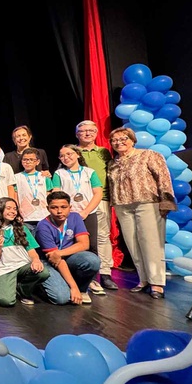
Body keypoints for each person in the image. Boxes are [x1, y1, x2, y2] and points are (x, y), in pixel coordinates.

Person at [107, 127, 176, 299]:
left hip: (147, 202)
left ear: (132, 140)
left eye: (123, 138)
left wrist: (166, 200)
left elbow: (163, 177)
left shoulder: (148, 155)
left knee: (151, 243)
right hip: (123, 205)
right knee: (133, 243)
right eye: (115, 140)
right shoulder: (113, 163)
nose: (119, 142)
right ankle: (144, 279)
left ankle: (157, 283)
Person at [52, 144, 104, 295]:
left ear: (78, 155)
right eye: (62, 156)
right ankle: (72, 279)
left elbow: (98, 194)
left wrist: (86, 211)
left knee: (92, 245)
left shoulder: (89, 172)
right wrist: (64, 212)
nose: (65, 158)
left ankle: (92, 279)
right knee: (70, 245)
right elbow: (57, 194)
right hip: (68, 216)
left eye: (69, 154)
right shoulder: (59, 174)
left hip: (88, 213)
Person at [35, 191, 101, 305]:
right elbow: (55, 260)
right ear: (48, 208)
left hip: (65, 257)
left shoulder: (75, 217)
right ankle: (40, 286)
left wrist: (60, 253)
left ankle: (81, 289)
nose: (59, 211)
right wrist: (73, 287)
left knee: (93, 260)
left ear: (70, 207)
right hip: (49, 262)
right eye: (54, 207)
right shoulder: (43, 226)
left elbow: (84, 244)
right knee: (61, 298)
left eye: (63, 207)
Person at [76, 120, 118, 291]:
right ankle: (86, 273)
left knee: (102, 236)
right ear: (77, 134)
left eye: (91, 131)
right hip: (78, 202)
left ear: (96, 133)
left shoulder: (104, 152)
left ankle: (105, 273)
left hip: (100, 199)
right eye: (83, 131)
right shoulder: (72, 152)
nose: (87, 133)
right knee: (81, 237)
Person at [0, 197, 49, 306]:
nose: (12, 211)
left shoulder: (22, 228)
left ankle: (23, 290)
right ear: (0, 210)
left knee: (43, 273)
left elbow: (32, 251)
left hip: (23, 266)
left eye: (15, 209)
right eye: (8, 208)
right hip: (6, 269)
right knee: (6, 301)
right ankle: (3, 289)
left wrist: (36, 260)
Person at [14, 148, 52, 231]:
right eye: (25, 159)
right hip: (25, 217)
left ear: (37, 162)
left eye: (31, 159)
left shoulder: (44, 177)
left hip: (43, 215)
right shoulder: (16, 177)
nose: (28, 162)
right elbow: (15, 197)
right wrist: (17, 213)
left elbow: (49, 195)